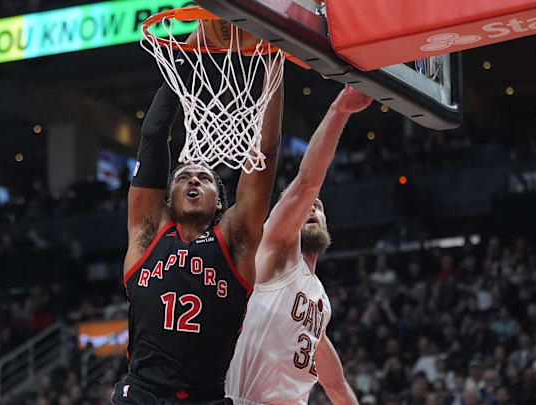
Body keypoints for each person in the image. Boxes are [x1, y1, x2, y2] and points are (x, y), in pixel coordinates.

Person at [114, 24, 284, 404]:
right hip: (142, 393)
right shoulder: (147, 233)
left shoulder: (234, 240)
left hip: (206, 396)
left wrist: (274, 62)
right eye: (184, 177)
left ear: (220, 203)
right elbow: (154, 137)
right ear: (169, 199)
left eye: (205, 178)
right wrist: (185, 63)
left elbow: (264, 156)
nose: (193, 180)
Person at [225, 85, 371, 404]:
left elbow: (336, 386)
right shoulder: (273, 248)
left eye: (319, 208)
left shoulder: (318, 303)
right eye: (306, 207)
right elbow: (307, 183)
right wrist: (339, 110)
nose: (313, 206)